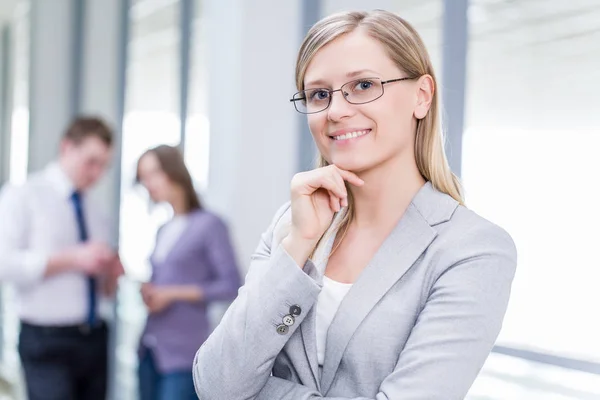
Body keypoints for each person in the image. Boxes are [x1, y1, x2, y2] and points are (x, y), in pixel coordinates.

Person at [193, 9, 518, 400]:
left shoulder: (472, 249)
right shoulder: (291, 225)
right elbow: (216, 385)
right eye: (319, 94)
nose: (335, 111)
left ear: (422, 96)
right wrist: (299, 245)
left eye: (363, 85)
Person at [0, 117, 124, 400]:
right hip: (46, 339)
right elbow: (3, 264)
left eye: (104, 165)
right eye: (91, 162)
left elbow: (103, 289)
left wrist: (110, 273)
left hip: (94, 337)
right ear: (66, 147)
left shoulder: (95, 209)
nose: (96, 173)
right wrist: (71, 259)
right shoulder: (24, 195)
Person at [135, 145, 241, 400]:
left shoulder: (210, 225)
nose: (147, 184)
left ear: (173, 172)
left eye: (152, 174)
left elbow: (231, 285)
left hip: (184, 354)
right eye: (143, 178)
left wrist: (172, 294)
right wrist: (151, 292)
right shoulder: (163, 228)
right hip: (150, 349)